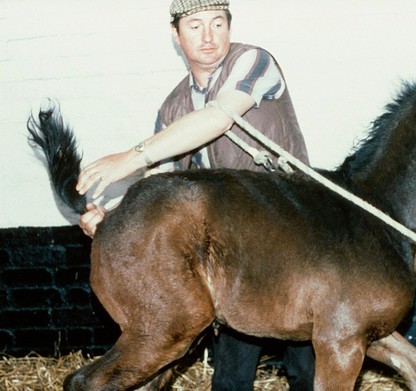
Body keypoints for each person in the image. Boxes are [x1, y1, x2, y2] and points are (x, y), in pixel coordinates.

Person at [75, 0, 315, 389]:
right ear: (176, 35)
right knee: (231, 377)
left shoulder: (254, 62)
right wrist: (112, 213)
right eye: (195, 26)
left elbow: (219, 117)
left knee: (308, 368)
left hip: (294, 235)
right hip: (236, 250)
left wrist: (130, 157)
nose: (208, 37)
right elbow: (159, 186)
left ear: (229, 27)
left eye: (217, 24)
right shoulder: (173, 109)